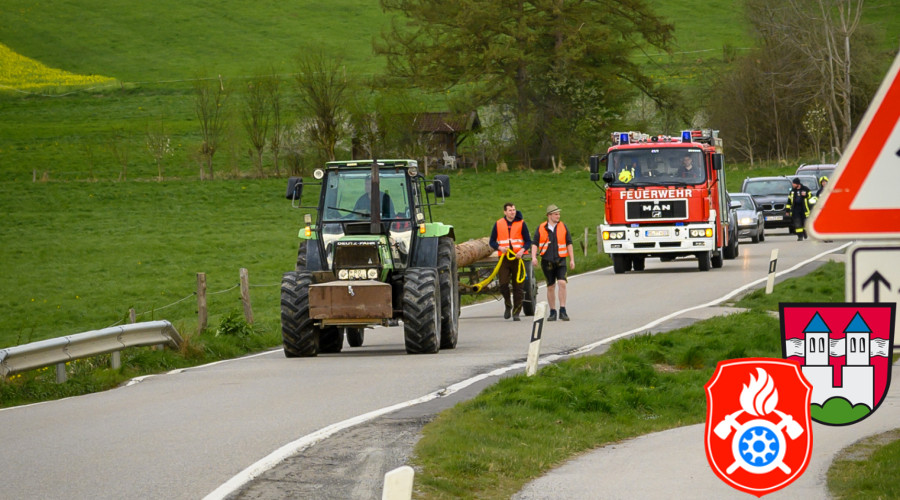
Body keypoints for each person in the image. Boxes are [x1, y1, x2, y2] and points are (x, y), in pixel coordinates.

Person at [531, 204, 575, 321]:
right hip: (547, 261)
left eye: (559, 214)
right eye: (556, 214)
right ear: (549, 215)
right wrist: (534, 257)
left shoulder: (563, 227)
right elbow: (535, 243)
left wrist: (572, 259)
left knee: (562, 283)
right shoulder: (541, 228)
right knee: (550, 286)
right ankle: (553, 311)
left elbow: (569, 243)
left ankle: (563, 310)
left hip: (561, 260)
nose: (558, 216)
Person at [489, 202, 532, 321]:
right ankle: (508, 304)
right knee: (503, 284)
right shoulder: (498, 224)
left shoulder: (521, 223)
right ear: (505, 212)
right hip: (504, 258)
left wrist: (522, 251)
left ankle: (516, 312)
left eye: (513, 210)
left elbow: (528, 241)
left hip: (517, 258)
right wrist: (499, 248)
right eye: (510, 210)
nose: (512, 212)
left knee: (518, 286)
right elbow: (492, 242)